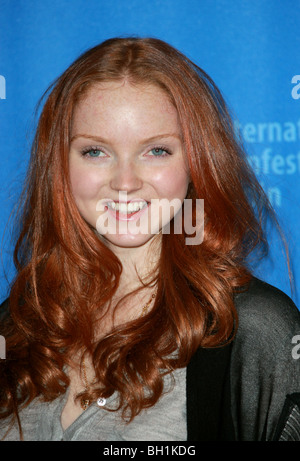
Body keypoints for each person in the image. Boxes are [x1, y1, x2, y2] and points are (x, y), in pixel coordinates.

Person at [0, 37, 299, 442]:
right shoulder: (18, 322)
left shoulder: (253, 330)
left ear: (196, 163)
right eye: (95, 152)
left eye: (156, 151)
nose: (125, 182)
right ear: (59, 166)